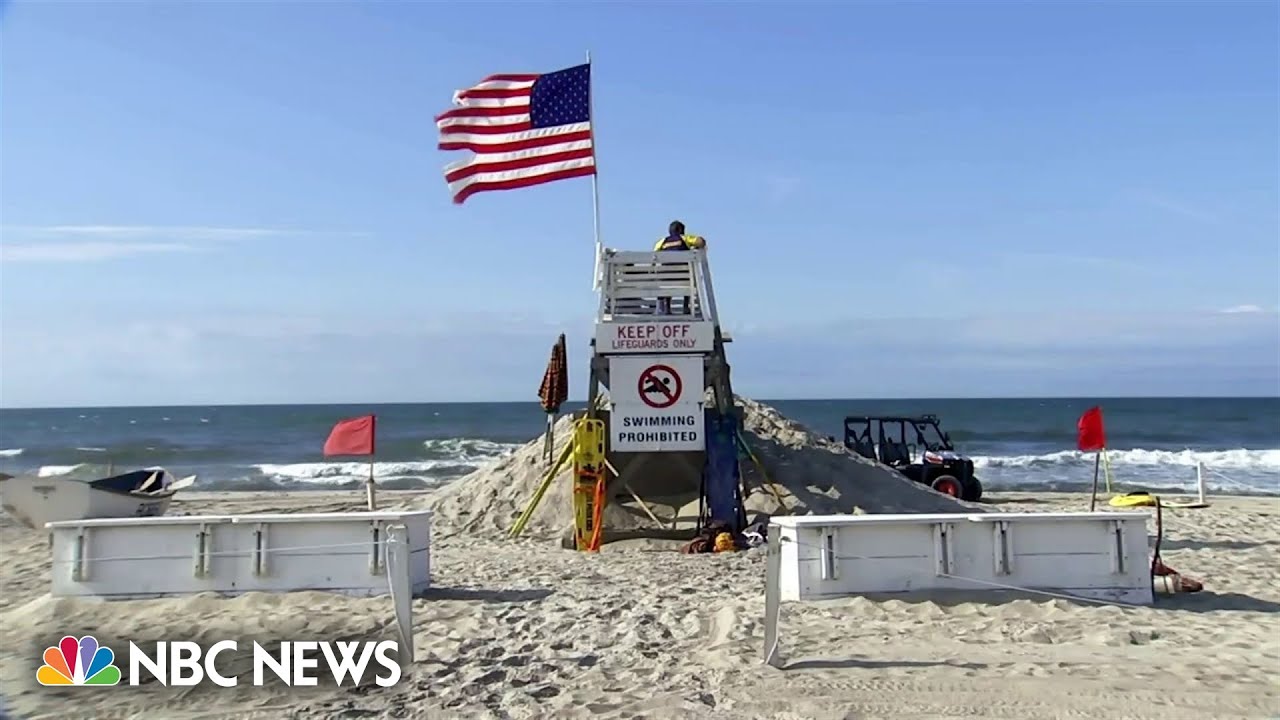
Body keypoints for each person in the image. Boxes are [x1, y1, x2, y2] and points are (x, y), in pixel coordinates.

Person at [653, 221, 706, 314]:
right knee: (690, 277)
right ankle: (686, 307)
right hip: (684, 277)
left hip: (665, 278)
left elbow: (654, 254)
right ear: (681, 230)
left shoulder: (662, 242)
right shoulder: (684, 238)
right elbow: (701, 242)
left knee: (666, 277)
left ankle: (667, 308)